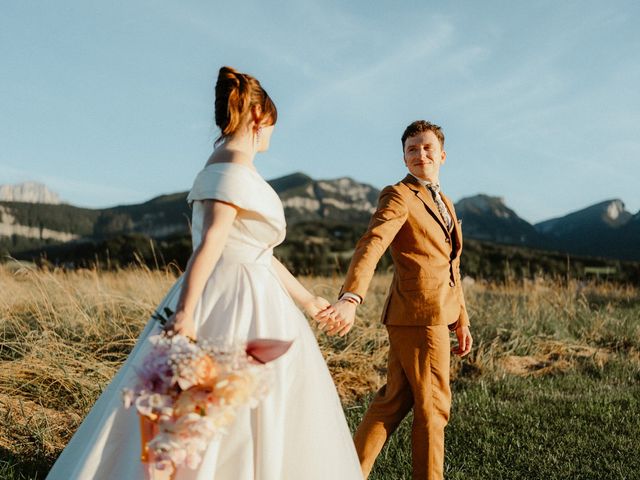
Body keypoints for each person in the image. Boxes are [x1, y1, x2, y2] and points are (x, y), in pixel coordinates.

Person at [46, 66, 362, 480]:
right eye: (271, 126)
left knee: (249, 403)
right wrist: (187, 314)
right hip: (232, 300)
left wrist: (306, 300)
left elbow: (259, 252)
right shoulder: (228, 168)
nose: (271, 135)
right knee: (216, 402)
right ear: (257, 118)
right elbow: (211, 243)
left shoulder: (234, 168)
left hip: (257, 292)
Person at [318, 120, 473, 480]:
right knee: (434, 407)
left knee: (394, 401)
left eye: (427, 147)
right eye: (412, 149)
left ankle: (346, 472)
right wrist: (351, 297)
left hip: (432, 312)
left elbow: (452, 265)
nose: (420, 154)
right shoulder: (399, 195)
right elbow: (372, 243)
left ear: (442, 155)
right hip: (419, 316)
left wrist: (461, 318)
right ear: (404, 158)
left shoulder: (444, 200)